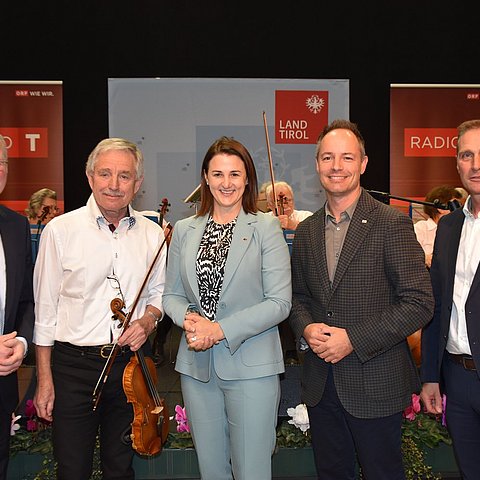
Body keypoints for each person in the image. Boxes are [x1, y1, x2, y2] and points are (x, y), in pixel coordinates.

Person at [288, 119, 434, 479]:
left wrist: (353, 339)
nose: (336, 167)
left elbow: (419, 301)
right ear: (317, 164)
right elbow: (296, 296)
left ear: (363, 164)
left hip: (376, 383)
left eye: (347, 157)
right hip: (321, 384)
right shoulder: (305, 231)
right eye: (327, 157)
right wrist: (306, 329)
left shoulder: (391, 224)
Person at [33, 138, 166, 480]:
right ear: (90, 177)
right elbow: (45, 314)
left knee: (120, 467)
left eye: (124, 176)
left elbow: (159, 295)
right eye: (105, 174)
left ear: (137, 185)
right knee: (72, 468)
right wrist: (45, 380)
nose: (114, 184)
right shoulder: (60, 232)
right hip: (72, 368)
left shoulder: (153, 235)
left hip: (128, 368)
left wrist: (149, 320)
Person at [163, 136, 292, 480]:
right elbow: (170, 296)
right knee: (211, 471)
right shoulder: (185, 230)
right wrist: (190, 321)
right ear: (205, 177)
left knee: (252, 471)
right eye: (218, 174)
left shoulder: (265, 227)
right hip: (197, 368)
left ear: (247, 179)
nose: (226, 183)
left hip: (252, 368)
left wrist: (218, 330)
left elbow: (280, 302)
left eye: (235, 174)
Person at [420, 119, 480, 480]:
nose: (476, 164)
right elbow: (437, 305)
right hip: (457, 382)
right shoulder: (448, 227)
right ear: (456, 163)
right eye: (467, 155)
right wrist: (430, 376)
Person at [0, 135, 35, 479]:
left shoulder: (16, 226)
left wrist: (22, 343)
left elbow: (27, 299)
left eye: (1, 162)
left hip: (4, 379)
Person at [413, 185, 462, 268]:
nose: (460, 209)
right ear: (441, 208)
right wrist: (426, 258)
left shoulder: (459, 230)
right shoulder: (420, 228)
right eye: (456, 205)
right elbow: (409, 255)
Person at [25, 187, 59, 263]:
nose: (54, 212)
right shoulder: (20, 229)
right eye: (49, 208)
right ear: (36, 206)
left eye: (55, 208)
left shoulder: (55, 231)